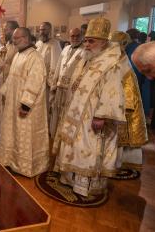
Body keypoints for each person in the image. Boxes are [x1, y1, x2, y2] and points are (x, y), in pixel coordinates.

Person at [53, 18, 125, 197]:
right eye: (86, 40)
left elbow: (113, 91)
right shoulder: (87, 58)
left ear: (104, 42)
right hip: (76, 111)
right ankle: (68, 178)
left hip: (92, 115)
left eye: (91, 41)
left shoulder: (111, 63)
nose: (86, 44)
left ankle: (83, 185)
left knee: (86, 147)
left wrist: (101, 115)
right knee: (73, 146)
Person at [0, 27, 49, 177]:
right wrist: (4, 92)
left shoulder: (35, 58)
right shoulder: (19, 55)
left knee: (24, 134)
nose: (14, 41)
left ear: (26, 39)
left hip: (26, 107)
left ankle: (24, 165)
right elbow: (12, 77)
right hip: (13, 103)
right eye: (13, 38)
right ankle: (12, 161)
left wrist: (25, 105)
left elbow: (35, 82)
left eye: (17, 38)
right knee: (14, 132)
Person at [109, 31, 147, 171]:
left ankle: (118, 163)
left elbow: (129, 86)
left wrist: (125, 106)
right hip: (116, 103)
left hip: (124, 106)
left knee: (122, 138)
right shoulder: (116, 59)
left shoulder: (123, 61)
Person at [49, 28, 84, 138]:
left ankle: (64, 138)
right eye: (72, 36)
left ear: (82, 36)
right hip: (60, 88)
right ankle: (55, 136)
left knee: (67, 114)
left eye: (77, 36)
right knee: (57, 113)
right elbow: (59, 65)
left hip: (71, 90)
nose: (75, 38)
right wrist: (54, 83)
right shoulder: (65, 49)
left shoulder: (84, 51)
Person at [36, 22, 62, 121]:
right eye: (41, 29)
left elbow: (56, 64)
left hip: (46, 82)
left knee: (45, 105)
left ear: (50, 31)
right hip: (36, 80)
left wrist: (52, 83)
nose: (42, 32)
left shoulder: (55, 44)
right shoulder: (38, 44)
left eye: (45, 29)